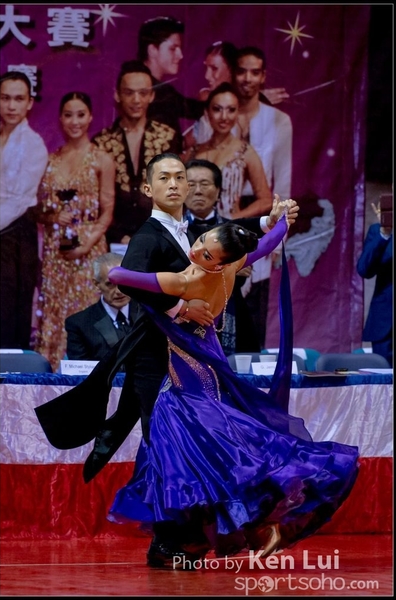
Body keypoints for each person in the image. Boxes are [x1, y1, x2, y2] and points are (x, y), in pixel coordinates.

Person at [34, 152, 299, 569]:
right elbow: (128, 281)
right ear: (148, 188)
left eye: (179, 177)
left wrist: (270, 222)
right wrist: (179, 309)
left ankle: (196, 535)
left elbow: (231, 239)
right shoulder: (148, 235)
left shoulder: (192, 232)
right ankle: (169, 542)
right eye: (164, 178)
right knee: (166, 445)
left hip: (193, 357)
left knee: (196, 442)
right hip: (154, 358)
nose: (174, 184)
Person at [105, 201, 359, 566]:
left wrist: (172, 304)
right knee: (216, 455)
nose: (196, 250)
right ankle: (252, 530)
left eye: (207, 253)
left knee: (193, 457)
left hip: (185, 385)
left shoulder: (185, 280)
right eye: (201, 240)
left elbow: (117, 275)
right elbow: (269, 242)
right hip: (209, 372)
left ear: (219, 263)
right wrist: (280, 223)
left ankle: (246, 530)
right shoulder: (233, 266)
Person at [34, 91, 115, 372]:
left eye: (80, 115)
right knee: (54, 311)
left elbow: (108, 210)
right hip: (56, 250)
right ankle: (51, 375)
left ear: (90, 117)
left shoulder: (101, 159)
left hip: (90, 248)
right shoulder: (50, 160)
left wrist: (87, 243)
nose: (75, 121)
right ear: (60, 118)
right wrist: (53, 216)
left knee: (86, 310)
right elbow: (36, 209)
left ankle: (91, 376)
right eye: (68, 115)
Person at [233, 45, 294, 349]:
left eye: (254, 72)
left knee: (254, 295)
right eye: (242, 71)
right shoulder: (219, 114)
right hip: (223, 214)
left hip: (262, 212)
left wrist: (280, 232)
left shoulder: (278, 120)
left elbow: (283, 179)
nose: (247, 78)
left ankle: (250, 368)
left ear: (263, 76)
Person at [93, 60, 182, 246]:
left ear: (152, 96)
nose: (136, 100)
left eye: (143, 93)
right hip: (112, 242)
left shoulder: (167, 138)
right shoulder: (101, 143)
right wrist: (119, 236)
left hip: (157, 241)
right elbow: (95, 201)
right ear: (117, 95)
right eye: (129, 93)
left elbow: (175, 195)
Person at [185, 157, 264, 354]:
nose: (198, 191)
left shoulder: (235, 232)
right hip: (186, 312)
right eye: (191, 184)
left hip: (231, 309)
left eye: (205, 184)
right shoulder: (172, 232)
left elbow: (243, 274)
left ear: (218, 190)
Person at [0, 71, 48, 349]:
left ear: (30, 103)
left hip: (16, 234)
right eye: (5, 98)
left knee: (9, 308)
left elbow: (18, 200)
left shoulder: (33, 144)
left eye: (18, 99)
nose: (11, 106)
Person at [182, 82, 273, 220]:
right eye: (217, 109)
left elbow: (266, 200)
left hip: (227, 230)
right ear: (207, 112)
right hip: (193, 230)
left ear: (238, 113)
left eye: (231, 110)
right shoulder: (194, 152)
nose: (224, 117)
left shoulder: (245, 153)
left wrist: (233, 218)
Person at [137, 16, 204, 138]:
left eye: (179, 48)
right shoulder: (159, 93)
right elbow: (196, 110)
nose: (180, 55)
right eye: (173, 49)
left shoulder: (160, 90)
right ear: (152, 50)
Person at [65, 253, 131, 362]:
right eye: (110, 284)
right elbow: (80, 369)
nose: (119, 291)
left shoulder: (149, 314)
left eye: (123, 282)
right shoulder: (79, 324)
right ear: (97, 284)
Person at [356, 200, 393, 367]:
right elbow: (364, 269)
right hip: (386, 324)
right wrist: (384, 234)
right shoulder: (378, 231)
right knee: (384, 380)